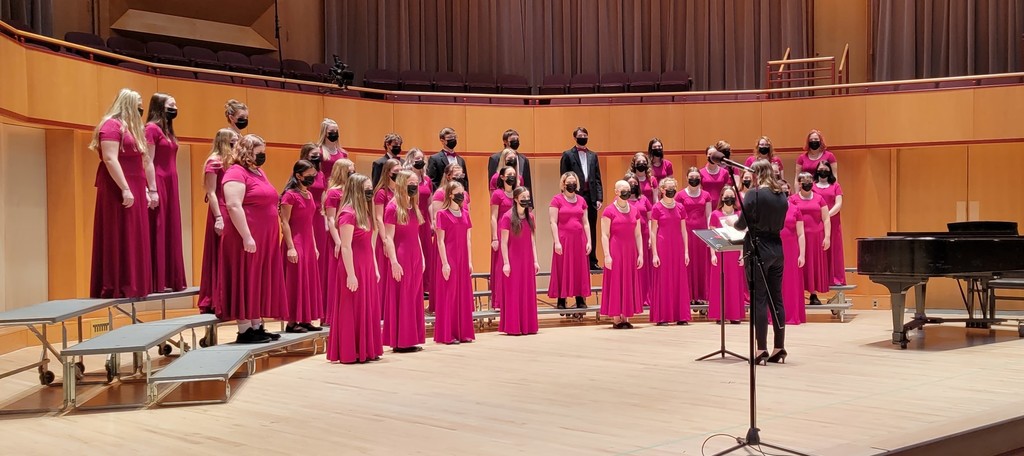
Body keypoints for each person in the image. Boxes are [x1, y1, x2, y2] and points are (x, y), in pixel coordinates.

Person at [217, 134, 287, 343]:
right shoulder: (235, 172)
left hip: (264, 236)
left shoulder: (258, 172)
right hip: (245, 236)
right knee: (246, 277)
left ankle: (256, 325)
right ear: (247, 151)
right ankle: (245, 329)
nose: (263, 156)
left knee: (258, 279)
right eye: (259, 152)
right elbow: (233, 205)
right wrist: (247, 236)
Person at [89, 88, 154, 299]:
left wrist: (143, 188)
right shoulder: (111, 126)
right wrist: (125, 188)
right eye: (139, 104)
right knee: (119, 232)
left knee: (133, 234)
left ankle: (133, 284)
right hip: (118, 185)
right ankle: (116, 284)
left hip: (134, 183)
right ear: (128, 105)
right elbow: (110, 158)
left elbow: (139, 162)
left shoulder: (131, 128)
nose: (141, 109)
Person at [734, 160, 790, 364]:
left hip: (759, 248)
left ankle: (761, 350)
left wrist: (733, 222)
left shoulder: (754, 194)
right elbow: (781, 222)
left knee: (759, 300)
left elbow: (741, 225)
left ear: (756, 173)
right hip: (777, 248)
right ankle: (779, 347)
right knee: (777, 299)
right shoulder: (782, 196)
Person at [327, 173, 383, 363]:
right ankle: (352, 351)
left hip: (366, 266)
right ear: (357, 190)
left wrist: (375, 267)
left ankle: (367, 349)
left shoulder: (365, 213)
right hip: (353, 267)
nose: (370, 192)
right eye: (366, 189)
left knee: (367, 307)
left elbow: (371, 244)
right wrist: (351, 274)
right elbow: (345, 246)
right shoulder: (348, 213)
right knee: (352, 308)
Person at [144, 92, 186, 293]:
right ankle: (156, 279)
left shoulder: (168, 131)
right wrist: (151, 189)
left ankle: (170, 277)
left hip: (171, 182)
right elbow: (147, 160)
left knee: (170, 227)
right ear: (160, 107)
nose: (175, 108)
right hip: (159, 181)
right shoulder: (151, 129)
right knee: (159, 227)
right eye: (171, 104)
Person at [381, 170, 427, 353]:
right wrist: (393, 262)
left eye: (416, 182)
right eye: (412, 182)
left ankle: (412, 338)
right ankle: (401, 341)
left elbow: (416, 235)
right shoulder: (392, 208)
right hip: (401, 256)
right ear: (402, 184)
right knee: (403, 297)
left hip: (415, 255)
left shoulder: (413, 206)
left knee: (414, 296)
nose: (415, 186)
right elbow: (388, 238)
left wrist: (422, 256)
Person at [280, 160, 324, 333]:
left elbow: (310, 223)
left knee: (307, 281)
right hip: (295, 241)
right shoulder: (290, 195)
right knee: (295, 281)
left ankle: (305, 319)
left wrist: (314, 246)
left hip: (307, 243)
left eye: (314, 176)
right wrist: (290, 247)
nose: (312, 179)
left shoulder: (309, 195)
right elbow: (284, 222)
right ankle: (291, 322)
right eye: (309, 176)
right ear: (298, 176)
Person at [197, 129, 238, 313]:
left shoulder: (232, 162)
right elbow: (211, 192)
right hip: (220, 208)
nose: (236, 144)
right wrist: (219, 217)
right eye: (233, 141)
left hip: (230, 206)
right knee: (219, 253)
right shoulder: (214, 161)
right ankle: (216, 297)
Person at [434, 181, 475, 344]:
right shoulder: (442, 214)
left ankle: (463, 332)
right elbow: (440, 241)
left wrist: (470, 261)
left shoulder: (465, 213)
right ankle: (447, 334)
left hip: (463, 258)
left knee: (463, 294)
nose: (461, 196)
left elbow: (468, 239)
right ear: (450, 194)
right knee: (449, 294)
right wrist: (444, 263)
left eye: (463, 193)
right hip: (449, 257)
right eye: (458, 193)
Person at [600, 180, 643, 329]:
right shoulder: (609, 211)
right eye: (623, 189)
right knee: (616, 280)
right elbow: (604, 235)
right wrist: (607, 255)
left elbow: (638, 234)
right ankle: (617, 318)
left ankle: (626, 316)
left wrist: (641, 254)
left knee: (628, 280)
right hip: (616, 249)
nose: (626, 191)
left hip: (630, 250)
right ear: (616, 192)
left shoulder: (634, 210)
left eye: (628, 189)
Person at [560, 127, 603, 270]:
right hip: (575, 195)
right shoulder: (567, 154)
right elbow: (564, 176)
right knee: (575, 228)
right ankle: (576, 260)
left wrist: (599, 197)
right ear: (575, 137)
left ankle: (592, 261)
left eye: (585, 135)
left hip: (590, 196)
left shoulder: (593, 155)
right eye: (580, 135)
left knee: (590, 227)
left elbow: (597, 178)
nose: (583, 137)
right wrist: (565, 196)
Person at [547, 172, 592, 312]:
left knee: (579, 267)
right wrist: (557, 241)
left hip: (579, 239)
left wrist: (589, 240)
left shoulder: (581, 200)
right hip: (563, 239)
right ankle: (561, 298)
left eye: (574, 181)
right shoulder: (556, 200)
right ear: (563, 184)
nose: (571, 184)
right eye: (569, 182)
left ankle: (580, 298)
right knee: (562, 268)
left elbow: (586, 222)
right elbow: (553, 222)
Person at [650, 177, 691, 326]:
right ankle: (662, 316)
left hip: (678, 247)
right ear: (662, 190)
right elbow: (653, 231)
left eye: (674, 186)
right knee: (663, 280)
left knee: (679, 280)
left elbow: (684, 230)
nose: (671, 189)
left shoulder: (680, 207)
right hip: (663, 246)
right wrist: (654, 253)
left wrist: (686, 251)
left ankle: (681, 315)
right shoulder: (656, 208)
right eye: (668, 187)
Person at [499, 187, 540, 335]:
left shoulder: (531, 217)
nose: (526, 199)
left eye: (528, 197)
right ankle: (513, 326)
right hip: (513, 259)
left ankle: (528, 325)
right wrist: (506, 263)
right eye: (523, 197)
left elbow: (532, 240)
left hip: (527, 259)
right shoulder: (507, 217)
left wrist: (535, 260)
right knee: (514, 292)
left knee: (527, 291)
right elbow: (504, 242)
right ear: (515, 199)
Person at [428, 163, 468, 314]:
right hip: (445, 242)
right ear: (448, 176)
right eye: (456, 174)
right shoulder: (440, 193)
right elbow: (438, 220)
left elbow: (465, 217)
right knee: (446, 282)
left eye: (461, 175)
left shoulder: (464, 195)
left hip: (459, 242)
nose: (459, 177)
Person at [790, 172, 831, 306]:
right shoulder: (792, 199)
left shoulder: (819, 198)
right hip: (799, 237)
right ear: (800, 183)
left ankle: (813, 294)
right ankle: (799, 294)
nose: (807, 183)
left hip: (816, 237)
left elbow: (826, 219)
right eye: (804, 181)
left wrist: (827, 236)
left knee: (813, 265)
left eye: (809, 180)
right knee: (800, 264)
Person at [323, 158, 355, 323]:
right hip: (337, 237)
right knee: (336, 274)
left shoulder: (351, 190)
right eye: (350, 169)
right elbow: (330, 219)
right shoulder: (333, 192)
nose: (353, 171)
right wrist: (337, 241)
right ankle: (332, 315)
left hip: (349, 235)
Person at [708, 186, 746, 324]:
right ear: (722, 197)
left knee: (734, 284)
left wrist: (742, 253)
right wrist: (712, 254)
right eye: (726, 196)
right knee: (720, 284)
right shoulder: (715, 214)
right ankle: (720, 314)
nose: (728, 199)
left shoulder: (739, 214)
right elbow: (711, 236)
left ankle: (735, 314)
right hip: (720, 253)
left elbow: (744, 235)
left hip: (735, 252)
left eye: (731, 196)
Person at [677, 167, 713, 306]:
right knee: (688, 262)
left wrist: (710, 231)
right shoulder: (680, 195)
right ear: (687, 178)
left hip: (702, 232)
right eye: (691, 177)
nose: (694, 179)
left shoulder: (706, 195)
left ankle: (702, 295)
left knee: (702, 263)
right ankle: (688, 295)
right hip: (686, 231)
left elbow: (709, 214)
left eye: (696, 176)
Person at [406, 148, 434, 304]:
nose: (420, 161)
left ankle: (425, 287)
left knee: (426, 251)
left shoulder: (427, 179)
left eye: (422, 158)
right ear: (410, 159)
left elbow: (429, 202)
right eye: (417, 158)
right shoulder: (406, 178)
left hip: (423, 218)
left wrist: (432, 220)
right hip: (410, 216)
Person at [489, 166, 518, 310]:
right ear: (502, 177)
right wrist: (495, 237)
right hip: (502, 231)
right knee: (502, 266)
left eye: (514, 174)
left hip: (516, 231)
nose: (512, 176)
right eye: (509, 174)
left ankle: (514, 299)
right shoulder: (497, 194)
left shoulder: (518, 193)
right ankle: (500, 301)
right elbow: (493, 217)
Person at [812, 161, 846, 286]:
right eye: (820, 168)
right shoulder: (813, 186)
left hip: (833, 221)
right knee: (819, 249)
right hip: (817, 222)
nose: (823, 170)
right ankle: (819, 279)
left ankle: (835, 278)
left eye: (825, 168)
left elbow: (839, 204)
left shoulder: (835, 185)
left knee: (834, 249)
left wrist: (827, 215)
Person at [372, 158, 401, 301]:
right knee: (386, 271)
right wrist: (384, 240)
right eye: (396, 171)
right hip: (386, 236)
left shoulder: (401, 191)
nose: (399, 173)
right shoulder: (381, 193)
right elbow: (378, 218)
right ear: (388, 173)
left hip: (399, 236)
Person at [779, 181, 807, 325]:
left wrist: (802, 254)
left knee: (791, 282)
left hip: (791, 250)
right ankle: (776, 316)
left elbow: (801, 234)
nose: (784, 193)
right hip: (776, 248)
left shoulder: (795, 209)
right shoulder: (771, 209)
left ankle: (792, 315)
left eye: (786, 190)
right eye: (781, 190)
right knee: (776, 282)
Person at [625, 172, 653, 307]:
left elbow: (650, 219)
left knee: (644, 267)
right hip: (629, 237)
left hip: (644, 234)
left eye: (635, 183)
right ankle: (632, 296)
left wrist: (650, 238)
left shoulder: (644, 199)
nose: (633, 185)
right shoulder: (621, 201)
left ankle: (645, 298)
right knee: (632, 266)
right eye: (630, 183)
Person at [488, 129, 532, 194]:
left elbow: (527, 184)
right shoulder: (494, 158)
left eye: (517, 140)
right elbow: (492, 184)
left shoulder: (524, 159)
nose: (516, 141)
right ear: (505, 141)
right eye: (513, 139)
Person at [701, 142, 733, 206]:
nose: (712, 156)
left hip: (721, 205)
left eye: (714, 154)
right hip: (706, 205)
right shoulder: (701, 172)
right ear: (706, 156)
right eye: (710, 154)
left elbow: (726, 189)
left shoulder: (724, 172)